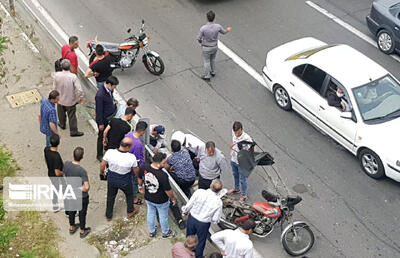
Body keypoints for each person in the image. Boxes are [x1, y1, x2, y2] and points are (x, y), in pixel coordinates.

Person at [100, 137, 140, 221]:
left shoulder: (110, 152)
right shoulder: (131, 157)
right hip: (125, 180)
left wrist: (102, 173)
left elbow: (103, 164)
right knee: (129, 195)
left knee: (110, 196)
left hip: (112, 178)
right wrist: (138, 177)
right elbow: (135, 170)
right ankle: (130, 211)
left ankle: (109, 215)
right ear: (128, 147)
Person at [138, 152, 177, 238]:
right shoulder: (163, 175)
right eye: (164, 163)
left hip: (148, 197)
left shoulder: (144, 167)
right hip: (161, 201)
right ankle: (165, 232)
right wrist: (173, 198)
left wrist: (140, 186)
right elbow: (168, 191)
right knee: (163, 216)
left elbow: (140, 177)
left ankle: (152, 231)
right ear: (159, 164)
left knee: (150, 213)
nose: (165, 164)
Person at [182, 179, 224, 258]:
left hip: (192, 218)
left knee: (189, 237)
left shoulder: (199, 192)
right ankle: (198, 256)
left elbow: (189, 204)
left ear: (211, 186)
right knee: (201, 241)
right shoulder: (218, 202)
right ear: (219, 191)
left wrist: (185, 210)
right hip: (203, 224)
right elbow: (215, 220)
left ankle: (188, 252)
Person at [63, 147, 91, 238]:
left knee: (71, 210)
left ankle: (72, 226)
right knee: (82, 213)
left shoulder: (66, 164)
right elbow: (86, 187)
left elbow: (63, 175)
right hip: (81, 196)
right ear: (82, 157)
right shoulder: (82, 171)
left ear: (73, 155)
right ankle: (82, 230)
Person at [53, 59, 84, 137]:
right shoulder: (73, 77)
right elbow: (79, 90)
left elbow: (54, 88)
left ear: (61, 66)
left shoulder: (57, 75)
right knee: (72, 116)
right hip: (70, 101)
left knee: (61, 113)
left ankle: (62, 124)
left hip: (60, 99)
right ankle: (73, 131)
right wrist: (77, 98)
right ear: (69, 66)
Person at [197, 10, 231, 81]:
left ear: (207, 18)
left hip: (206, 47)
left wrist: (201, 42)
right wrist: (227, 30)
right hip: (214, 46)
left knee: (206, 61)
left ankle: (207, 75)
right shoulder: (218, 26)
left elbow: (199, 38)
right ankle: (213, 71)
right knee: (212, 59)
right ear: (214, 18)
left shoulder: (203, 28)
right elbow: (224, 32)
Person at [95, 76, 118, 161]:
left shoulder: (110, 90)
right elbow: (99, 110)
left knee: (108, 134)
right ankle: (99, 155)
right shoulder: (100, 95)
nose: (114, 88)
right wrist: (100, 123)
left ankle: (106, 148)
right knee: (101, 136)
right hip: (103, 119)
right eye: (114, 86)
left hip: (110, 116)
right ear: (109, 84)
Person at [229, 121, 253, 201]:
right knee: (235, 175)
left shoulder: (247, 138)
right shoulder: (233, 132)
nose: (236, 135)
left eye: (238, 133)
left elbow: (252, 150)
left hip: (242, 162)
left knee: (243, 179)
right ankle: (236, 188)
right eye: (235, 133)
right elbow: (232, 138)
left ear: (241, 129)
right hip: (233, 159)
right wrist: (232, 147)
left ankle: (244, 195)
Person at [125, 121, 148, 205]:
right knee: (134, 181)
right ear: (142, 131)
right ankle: (134, 198)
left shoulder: (128, 135)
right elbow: (137, 161)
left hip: (126, 164)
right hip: (134, 168)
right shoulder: (138, 144)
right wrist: (138, 174)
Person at [44, 134, 64, 212]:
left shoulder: (46, 149)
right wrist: (63, 173)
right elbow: (57, 172)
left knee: (54, 188)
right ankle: (56, 206)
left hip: (50, 172)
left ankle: (55, 204)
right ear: (58, 143)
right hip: (56, 176)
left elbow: (45, 159)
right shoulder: (56, 156)